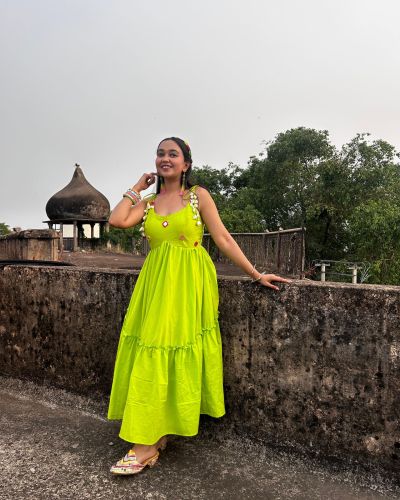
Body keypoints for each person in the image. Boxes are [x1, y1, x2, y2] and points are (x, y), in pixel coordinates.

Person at [107, 137, 289, 475]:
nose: (165, 159)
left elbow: (222, 238)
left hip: (189, 285)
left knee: (172, 348)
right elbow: (116, 221)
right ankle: (152, 435)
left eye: (172, 154)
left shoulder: (197, 197)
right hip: (155, 286)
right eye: (160, 153)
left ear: (186, 164)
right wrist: (136, 187)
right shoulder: (147, 202)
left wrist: (255, 273)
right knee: (152, 349)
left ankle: (147, 443)